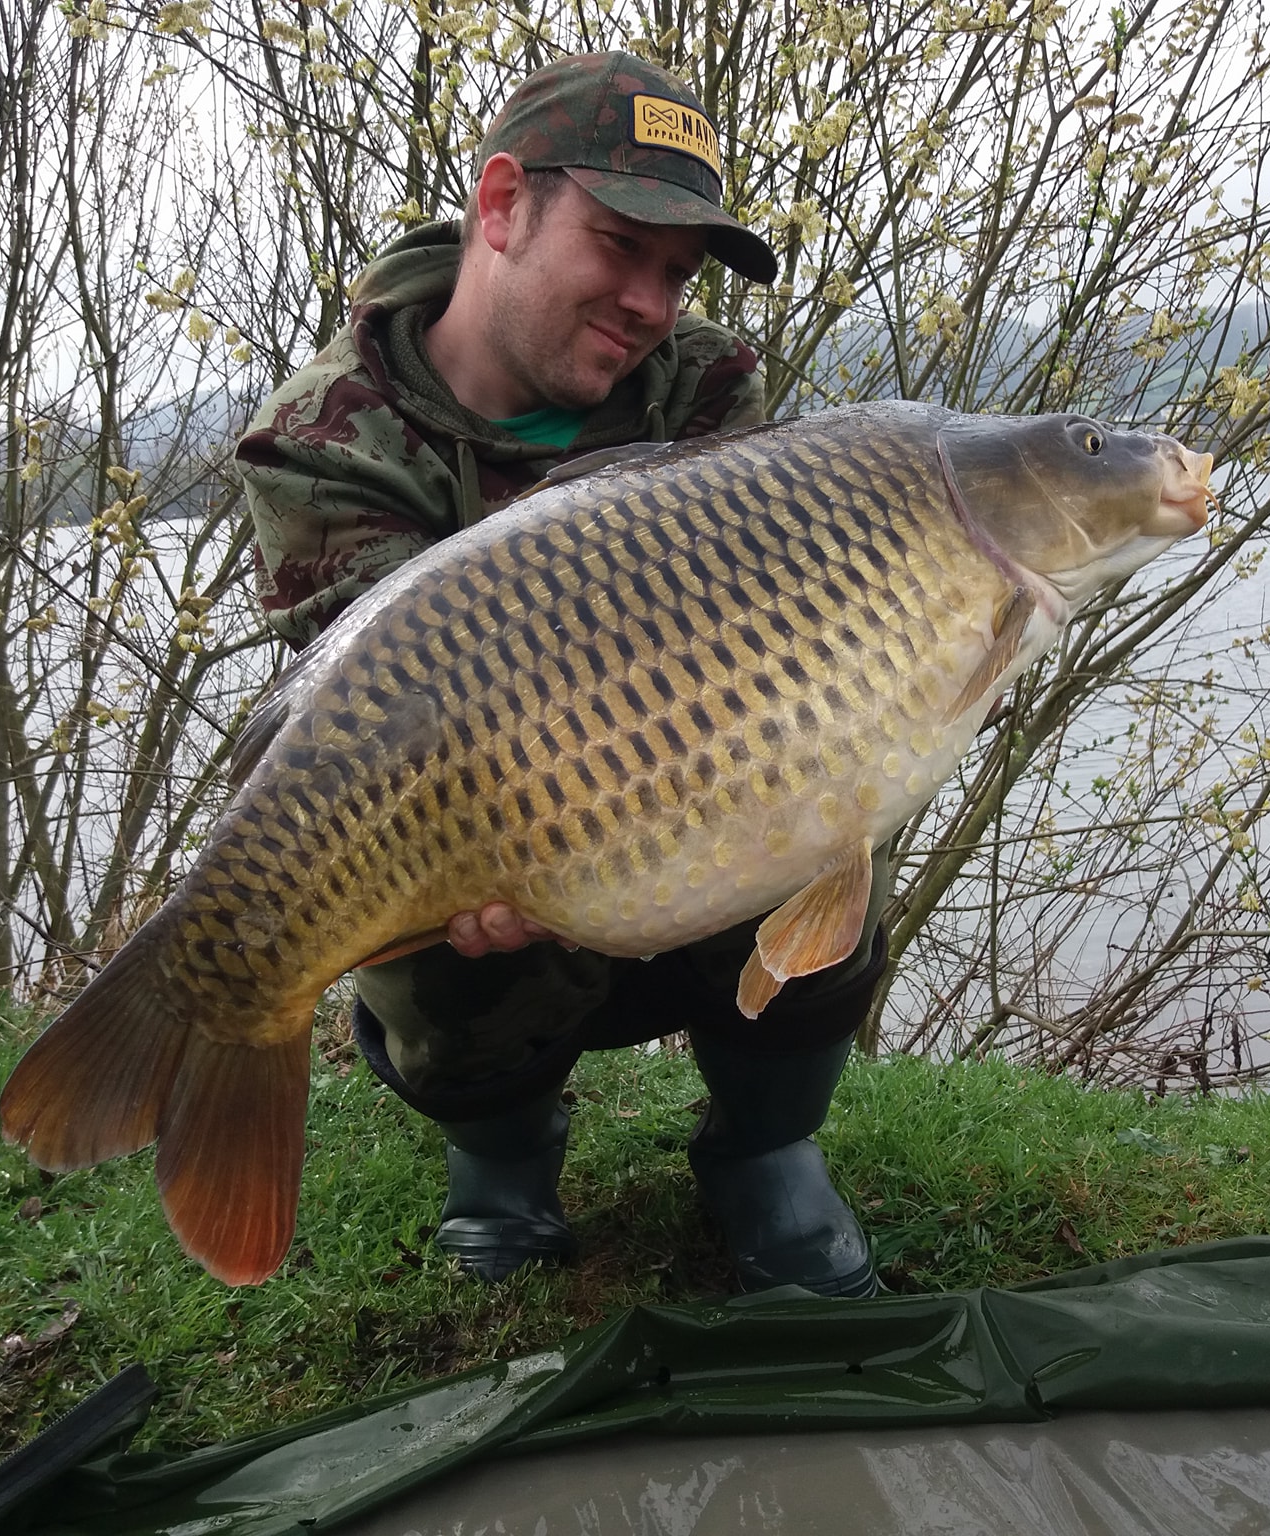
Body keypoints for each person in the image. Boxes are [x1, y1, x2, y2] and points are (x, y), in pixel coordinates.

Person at [235, 52, 887, 1298]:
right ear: (501, 205)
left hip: (672, 792)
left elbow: (753, 647)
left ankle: (764, 1148)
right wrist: (499, 829)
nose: (649, 303)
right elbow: (366, 716)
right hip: (467, 818)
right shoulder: (326, 437)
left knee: (831, 805)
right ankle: (503, 1160)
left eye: (676, 273)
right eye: (619, 244)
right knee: (427, 923)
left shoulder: (706, 387)